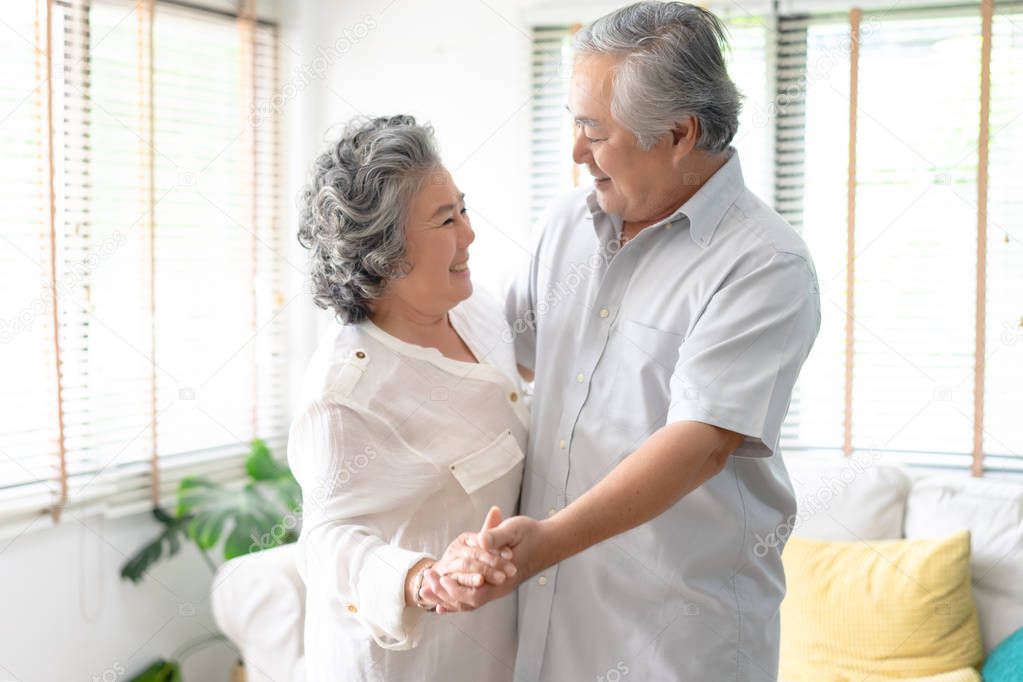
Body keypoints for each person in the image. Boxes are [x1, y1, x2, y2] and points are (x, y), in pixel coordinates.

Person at [423, 3, 822, 680]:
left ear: (677, 133)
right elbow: (498, 355)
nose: (576, 152)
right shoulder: (568, 222)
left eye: (593, 132)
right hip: (548, 630)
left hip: (675, 643)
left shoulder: (763, 264)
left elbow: (697, 445)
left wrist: (545, 543)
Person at [288, 114, 527, 681]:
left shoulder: (476, 308)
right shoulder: (344, 395)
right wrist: (421, 577)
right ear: (388, 256)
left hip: (488, 652)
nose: (469, 233)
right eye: (447, 221)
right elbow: (323, 541)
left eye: (463, 209)